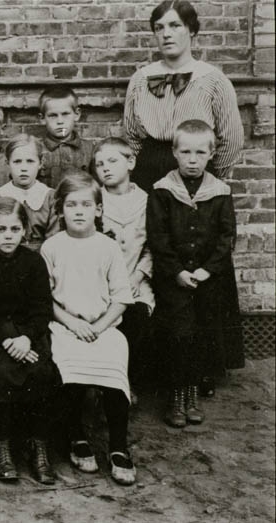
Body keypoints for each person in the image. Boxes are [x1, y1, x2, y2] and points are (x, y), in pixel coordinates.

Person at [41, 174, 136, 486]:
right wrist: (72, 323)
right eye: (71, 205)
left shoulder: (108, 247)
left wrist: (98, 326)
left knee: (114, 367)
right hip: (65, 326)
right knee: (68, 370)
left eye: (86, 204)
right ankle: (77, 436)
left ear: (98, 209)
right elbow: (45, 298)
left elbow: (122, 297)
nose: (79, 211)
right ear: (60, 210)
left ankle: (118, 446)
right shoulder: (52, 247)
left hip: (103, 327)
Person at [146, 120, 243, 427]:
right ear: (174, 152)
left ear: (211, 154)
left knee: (201, 333)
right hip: (173, 279)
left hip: (207, 279)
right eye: (185, 152)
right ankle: (176, 396)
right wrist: (176, 271)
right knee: (179, 335)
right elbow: (158, 237)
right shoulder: (162, 191)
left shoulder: (219, 192)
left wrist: (206, 270)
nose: (192, 160)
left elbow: (226, 237)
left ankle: (192, 395)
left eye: (200, 153)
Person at [0, 198, 60, 484]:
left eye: (14, 229)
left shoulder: (33, 262)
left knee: (41, 370)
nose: (8, 235)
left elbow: (42, 310)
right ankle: (3, 447)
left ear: (24, 231)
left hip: (28, 334)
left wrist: (26, 338)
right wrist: (9, 340)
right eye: (1, 229)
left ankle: (38, 446)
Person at [124, 0, 244, 194]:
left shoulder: (214, 80)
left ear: (192, 30)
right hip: (149, 171)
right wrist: (144, 165)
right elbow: (131, 134)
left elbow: (232, 139)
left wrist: (210, 175)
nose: (166, 34)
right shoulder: (140, 79)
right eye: (159, 28)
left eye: (175, 26)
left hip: (196, 171)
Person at [94, 138, 155, 397]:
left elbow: (153, 246)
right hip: (101, 283)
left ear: (130, 162)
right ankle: (102, 382)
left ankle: (127, 382)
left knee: (136, 319)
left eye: (112, 161)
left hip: (135, 280)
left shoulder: (148, 201)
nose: (105, 168)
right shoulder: (94, 201)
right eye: (99, 164)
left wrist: (138, 276)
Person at [0, 133, 59, 251]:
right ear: (7, 163)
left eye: (30, 161)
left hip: (43, 255)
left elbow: (54, 238)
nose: (23, 168)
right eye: (17, 161)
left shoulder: (50, 196)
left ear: (40, 163)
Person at [37, 86, 94, 189]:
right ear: (42, 118)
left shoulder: (90, 150)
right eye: (53, 115)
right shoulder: (35, 150)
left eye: (65, 114)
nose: (60, 121)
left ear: (77, 114)